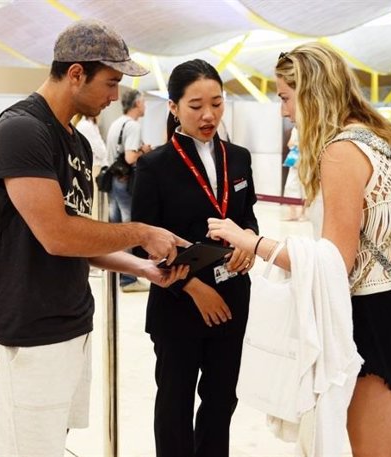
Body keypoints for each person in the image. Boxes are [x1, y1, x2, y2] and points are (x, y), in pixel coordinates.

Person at [0, 20, 188, 457]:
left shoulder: (73, 140)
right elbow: (56, 234)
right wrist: (142, 232)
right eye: (110, 82)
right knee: (29, 448)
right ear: (76, 73)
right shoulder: (22, 130)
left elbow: (80, 237)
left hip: (70, 320)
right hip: (29, 328)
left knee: (53, 441)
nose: (115, 95)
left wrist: (140, 267)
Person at [207, 43, 391, 457]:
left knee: (374, 449)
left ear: (311, 93)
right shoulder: (379, 137)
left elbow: (333, 262)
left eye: (286, 98)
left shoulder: (342, 151)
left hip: (374, 312)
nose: (283, 111)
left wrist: (252, 242)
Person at [131, 59, 258, 457]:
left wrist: (248, 244)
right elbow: (141, 243)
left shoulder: (238, 158)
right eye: (196, 105)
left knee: (222, 400)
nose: (208, 115)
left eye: (217, 104)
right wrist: (193, 287)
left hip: (233, 297)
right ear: (173, 108)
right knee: (175, 401)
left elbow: (247, 216)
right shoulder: (154, 166)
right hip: (178, 301)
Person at [105, 88, 153, 291]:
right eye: (143, 102)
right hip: (125, 181)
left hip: (113, 180)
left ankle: (117, 273)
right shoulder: (133, 126)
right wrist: (145, 150)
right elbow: (130, 157)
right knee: (128, 229)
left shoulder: (117, 122)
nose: (145, 106)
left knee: (115, 228)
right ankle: (128, 278)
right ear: (136, 104)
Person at [75, 114, 108, 218]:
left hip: (95, 168)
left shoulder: (91, 125)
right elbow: (101, 151)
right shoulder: (86, 126)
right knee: (95, 207)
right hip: (94, 168)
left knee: (99, 206)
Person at [282, 126, 306, 221]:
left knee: (305, 188)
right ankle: (293, 213)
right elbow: (290, 144)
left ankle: (302, 214)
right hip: (295, 162)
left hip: (307, 162)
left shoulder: (310, 126)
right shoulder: (295, 129)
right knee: (290, 186)